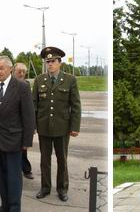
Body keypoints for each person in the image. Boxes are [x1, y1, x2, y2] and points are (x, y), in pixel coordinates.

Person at [0, 56, 35, 212]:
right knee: (1, 176)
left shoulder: (21, 87)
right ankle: (5, 205)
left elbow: (28, 116)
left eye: (1, 68)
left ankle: (15, 208)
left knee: (13, 177)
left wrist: (27, 142)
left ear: (10, 69)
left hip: (13, 140)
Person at [33, 46, 82, 202]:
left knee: (62, 160)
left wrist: (74, 127)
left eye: (53, 61)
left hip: (62, 128)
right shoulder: (39, 80)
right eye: (48, 62)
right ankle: (45, 187)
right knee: (44, 161)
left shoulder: (70, 80)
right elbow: (34, 105)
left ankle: (62, 189)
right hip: (44, 127)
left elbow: (75, 105)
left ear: (60, 63)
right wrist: (33, 126)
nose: (50, 64)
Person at [14, 63, 33, 180]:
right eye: (19, 71)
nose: (21, 74)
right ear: (13, 71)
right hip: (11, 122)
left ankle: (26, 169)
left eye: (23, 72)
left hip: (23, 123)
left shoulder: (26, 85)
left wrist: (32, 127)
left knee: (23, 149)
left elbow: (31, 108)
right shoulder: (8, 84)